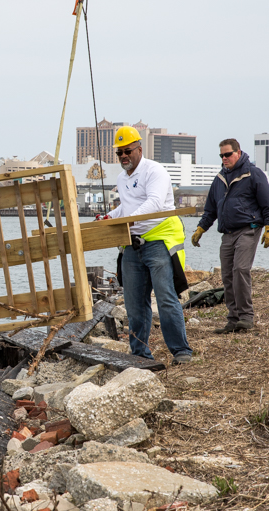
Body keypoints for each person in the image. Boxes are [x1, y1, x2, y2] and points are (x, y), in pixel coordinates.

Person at [106, 126, 193, 365]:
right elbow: (126, 207)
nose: (124, 156)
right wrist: (111, 217)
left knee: (166, 298)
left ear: (139, 149)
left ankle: (181, 351)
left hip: (157, 242)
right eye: (119, 153)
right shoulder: (122, 178)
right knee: (134, 303)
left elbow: (155, 202)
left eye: (128, 151)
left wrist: (130, 219)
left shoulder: (155, 171)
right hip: (132, 245)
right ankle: (140, 355)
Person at [191, 138, 269, 333]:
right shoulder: (220, 179)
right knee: (227, 275)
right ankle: (233, 319)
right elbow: (210, 210)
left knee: (240, 270)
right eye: (221, 155)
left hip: (249, 229)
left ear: (238, 152)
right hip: (227, 234)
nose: (224, 158)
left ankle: (246, 316)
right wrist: (201, 229)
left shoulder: (253, 174)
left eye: (228, 154)